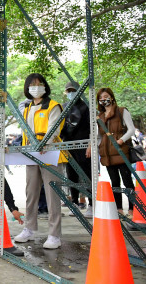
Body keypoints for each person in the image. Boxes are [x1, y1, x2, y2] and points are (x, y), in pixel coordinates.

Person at [14, 73, 65, 250]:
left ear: (45, 86)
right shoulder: (27, 108)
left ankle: (54, 235)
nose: (36, 87)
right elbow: (25, 131)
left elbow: (54, 128)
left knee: (52, 195)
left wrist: (44, 143)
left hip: (50, 154)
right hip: (31, 155)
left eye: (39, 84)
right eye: (32, 85)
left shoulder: (53, 106)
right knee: (31, 193)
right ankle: (29, 228)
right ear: (27, 88)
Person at [95, 87, 135, 215]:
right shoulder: (99, 116)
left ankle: (132, 209)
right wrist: (98, 147)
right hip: (107, 154)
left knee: (127, 181)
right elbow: (98, 136)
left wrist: (121, 140)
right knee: (115, 182)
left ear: (111, 97)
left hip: (121, 151)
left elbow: (131, 129)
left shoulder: (122, 111)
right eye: (101, 98)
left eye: (106, 96)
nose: (103, 99)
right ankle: (118, 209)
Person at [60, 81, 93, 218]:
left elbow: (92, 127)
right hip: (68, 145)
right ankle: (74, 203)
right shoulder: (63, 107)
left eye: (74, 90)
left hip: (84, 145)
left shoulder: (87, 106)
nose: (71, 93)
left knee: (87, 174)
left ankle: (91, 204)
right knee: (71, 174)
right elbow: (60, 127)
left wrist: (91, 143)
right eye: (69, 91)